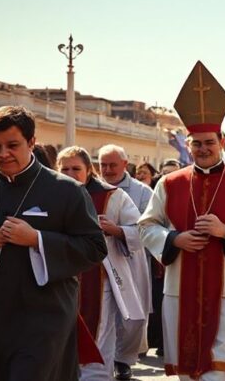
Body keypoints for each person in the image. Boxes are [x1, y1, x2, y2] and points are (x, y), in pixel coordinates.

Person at [139, 61, 225, 380]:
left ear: (221, 143)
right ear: (188, 145)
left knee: (219, 372)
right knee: (188, 371)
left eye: (209, 143)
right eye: (196, 143)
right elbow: (147, 227)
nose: (203, 149)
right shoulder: (169, 183)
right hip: (180, 288)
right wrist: (174, 240)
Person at [0, 105, 107, 381]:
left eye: (13, 145)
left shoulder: (66, 190)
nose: (3, 154)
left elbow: (94, 248)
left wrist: (37, 239)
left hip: (42, 317)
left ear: (32, 142)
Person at [57, 146, 146, 381]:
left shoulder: (112, 196)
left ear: (89, 170)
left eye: (76, 168)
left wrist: (115, 229)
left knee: (99, 336)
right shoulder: (49, 194)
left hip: (100, 279)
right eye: (64, 168)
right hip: (59, 278)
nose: (70, 173)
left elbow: (141, 230)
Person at [98, 143, 153, 380]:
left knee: (132, 316)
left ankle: (125, 359)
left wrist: (118, 230)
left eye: (112, 164)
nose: (108, 169)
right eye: (103, 165)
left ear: (124, 164)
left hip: (131, 258)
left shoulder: (142, 192)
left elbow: (148, 228)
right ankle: (104, 362)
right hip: (100, 262)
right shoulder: (92, 189)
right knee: (104, 316)